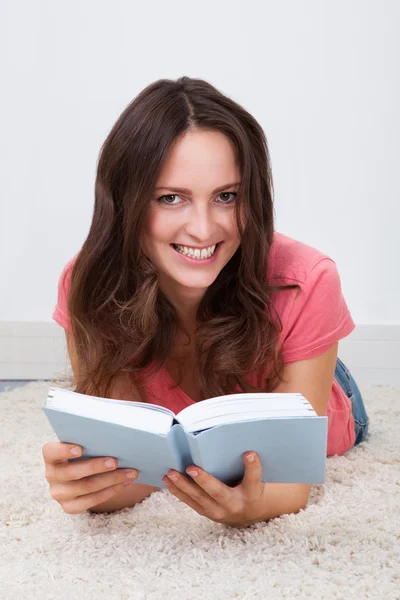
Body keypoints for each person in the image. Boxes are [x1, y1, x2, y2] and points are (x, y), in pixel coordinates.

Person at [42, 76, 369, 524]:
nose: (202, 229)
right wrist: (89, 486)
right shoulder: (89, 284)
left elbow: (291, 483)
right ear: (126, 203)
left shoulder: (307, 282)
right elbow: (127, 471)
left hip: (308, 376)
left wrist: (251, 507)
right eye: (171, 198)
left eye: (226, 196)